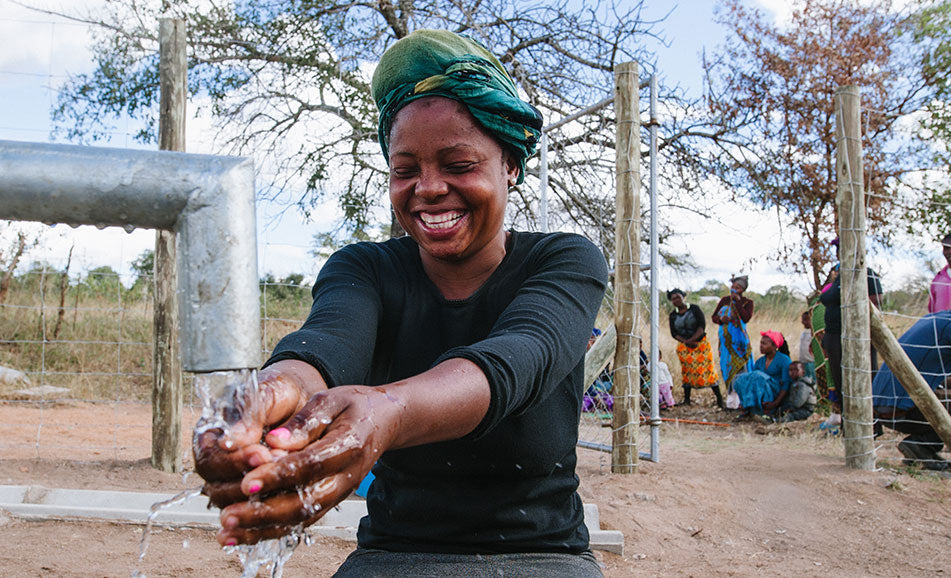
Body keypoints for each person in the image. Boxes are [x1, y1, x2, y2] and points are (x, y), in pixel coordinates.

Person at [193, 29, 608, 576]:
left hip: (541, 555)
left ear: (510, 164)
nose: (428, 188)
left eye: (459, 166)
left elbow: (517, 357)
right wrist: (270, 398)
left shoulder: (565, 261)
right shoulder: (366, 268)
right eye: (405, 170)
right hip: (392, 554)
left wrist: (387, 411)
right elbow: (325, 346)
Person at [872, 280, 951, 471]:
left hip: (883, 404)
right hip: (900, 410)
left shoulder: (937, 317)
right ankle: (922, 444)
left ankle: (922, 446)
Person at [819, 238, 883, 426]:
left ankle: (871, 425)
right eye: (838, 249)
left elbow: (875, 302)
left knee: (865, 381)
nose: (839, 252)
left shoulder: (866, 274)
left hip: (856, 338)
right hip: (835, 337)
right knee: (842, 383)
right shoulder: (839, 275)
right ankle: (850, 425)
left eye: (843, 247)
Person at [668, 288, 725, 408]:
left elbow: (701, 325)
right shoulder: (673, 315)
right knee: (687, 371)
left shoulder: (694, 309)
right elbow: (674, 333)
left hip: (700, 344)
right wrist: (686, 342)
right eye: (673, 299)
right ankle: (687, 400)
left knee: (708, 370)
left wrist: (693, 339)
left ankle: (720, 399)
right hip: (684, 346)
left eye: (678, 297)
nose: (676, 300)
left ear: (683, 296)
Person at [732, 331, 792, 419]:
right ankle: (747, 407)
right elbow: (751, 381)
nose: (761, 346)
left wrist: (775, 403)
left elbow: (786, 384)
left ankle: (767, 411)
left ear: (774, 346)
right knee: (740, 379)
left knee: (758, 376)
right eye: (761, 343)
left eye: (764, 343)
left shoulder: (784, 360)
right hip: (761, 390)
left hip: (775, 392)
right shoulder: (760, 361)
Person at [712, 275, 755, 394]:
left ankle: (743, 395)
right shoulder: (724, 300)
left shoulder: (748, 302)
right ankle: (731, 395)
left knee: (741, 366)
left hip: (740, 340)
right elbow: (714, 317)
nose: (734, 289)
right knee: (727, 365)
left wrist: (738, 302)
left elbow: (745, 318)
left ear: (743, 290)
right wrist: (721, 319)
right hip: (726, 341)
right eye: (733, 286)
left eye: (738, 287)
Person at [798, 310, 816, 381]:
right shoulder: (804, 333)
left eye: (806, 320)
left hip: (811, 362)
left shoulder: (813, 333)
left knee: (813, 380)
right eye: (803, 320)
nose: (803, 322)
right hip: (803, 362)